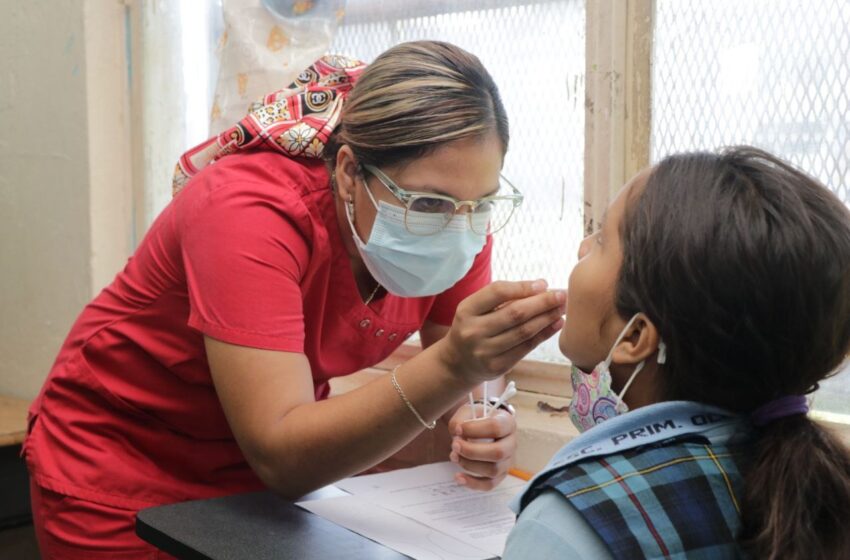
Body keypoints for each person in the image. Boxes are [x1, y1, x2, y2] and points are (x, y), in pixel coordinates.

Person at [23, 40, 567, 558]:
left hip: (269, 484)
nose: (461, 228)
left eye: (482, 203)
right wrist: (454, 366)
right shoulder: (247, 210)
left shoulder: (456, 216)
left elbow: (466, 371)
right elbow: (283, 454)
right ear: (351, 172)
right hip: (123, 465)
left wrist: (484, 417)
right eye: (428, 203)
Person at [503, 146, 850, 559]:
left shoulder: (567, 523)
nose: (581, 247)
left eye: (600, 238)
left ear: (634, 337)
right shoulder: (822, 489)